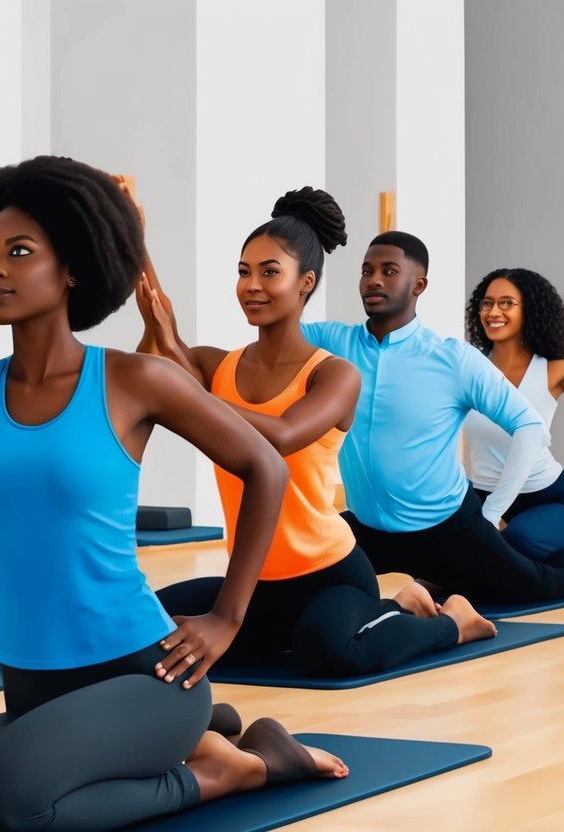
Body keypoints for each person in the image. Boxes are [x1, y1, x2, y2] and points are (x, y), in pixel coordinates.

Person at [0, 8, 348, 831]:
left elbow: (264, 463)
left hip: (143, 676)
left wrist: (226, 614)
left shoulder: (133, 381)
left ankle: (231, 767)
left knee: (2, 803)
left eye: (19, 253)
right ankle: (193, 750)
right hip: (31, 681)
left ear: (71, 266)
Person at [137, 186, 495, 677]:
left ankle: (451, 620)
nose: (252, 285)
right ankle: (386, 605)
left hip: (330, 574)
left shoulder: (335, 375)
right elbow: (162, 335)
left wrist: (189, 390)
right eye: (244, 272)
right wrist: (135, 240)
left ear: (305, 283)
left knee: (328, 653)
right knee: (140, 631)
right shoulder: (217, 369)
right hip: (256, 581)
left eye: (269, 272)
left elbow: (283, 435)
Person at [301, 231, 564, 603]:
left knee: (532, 580)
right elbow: (278, 336)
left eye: (389, 270)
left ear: (419, 284)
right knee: (298, 578)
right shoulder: (332, 341)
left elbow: (529, 426)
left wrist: (490, 513)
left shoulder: (454, 359)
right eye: (367, 270)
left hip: (476, 516)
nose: (374, 280)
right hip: (375, 524)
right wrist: (299, 248)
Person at [463, 268, 564, 561]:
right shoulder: (469, 367)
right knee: (445, 545)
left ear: (530, 311)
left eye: (506, 303)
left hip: (551, 497)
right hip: (483, 492)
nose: (493, 312)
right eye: (487, 303)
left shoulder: (553, 371)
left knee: (520, 538)